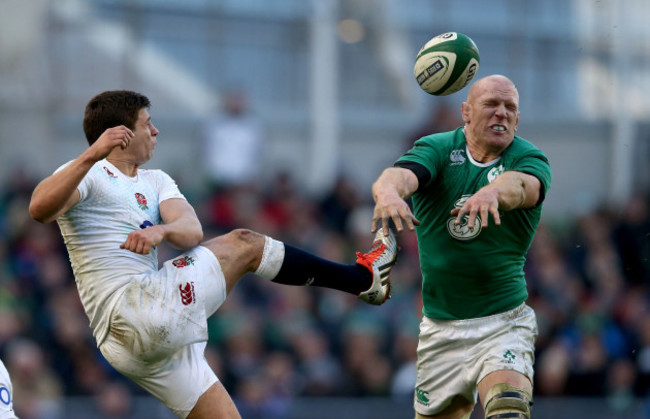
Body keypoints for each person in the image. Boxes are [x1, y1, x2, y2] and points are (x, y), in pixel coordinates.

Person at [28, 90, 398, 419]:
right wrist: (91, 154)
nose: (155, 131)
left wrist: (163, 230)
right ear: (120, 136)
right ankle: (362, 279)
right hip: (133, 309)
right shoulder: (88, 173)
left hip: (137, 339)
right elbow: (39, 209)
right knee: (245, 243)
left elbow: (192, 231)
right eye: (147, 123)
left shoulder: (156, 181)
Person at [371, 75, 552, 419]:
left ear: (518, 118)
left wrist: (493, 193)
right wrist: (389, 194)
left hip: (503, 322)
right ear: (466, 112)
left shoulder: (528, 157)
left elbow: (523, 187)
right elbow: (399, 176)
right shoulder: (438, 149)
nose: (502, 113)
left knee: (508, 408)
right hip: (441, 328)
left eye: (510, 108)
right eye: (491, 105)